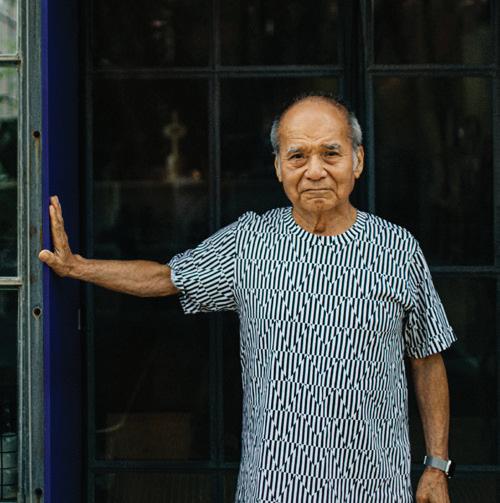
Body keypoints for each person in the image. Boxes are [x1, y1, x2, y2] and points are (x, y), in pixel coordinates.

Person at [39, 94, 456, 503]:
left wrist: (437, 465)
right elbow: (167, 277)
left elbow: (427, 358)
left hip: (375, 486)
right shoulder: (250, 242)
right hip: (272, 485)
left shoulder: (397, 249)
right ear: (278, 167)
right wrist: (78, 267)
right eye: (297, 156)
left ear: (357, 160)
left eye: (331, 154)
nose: (315, 171)